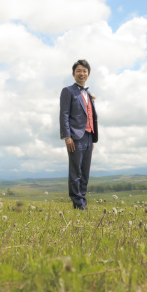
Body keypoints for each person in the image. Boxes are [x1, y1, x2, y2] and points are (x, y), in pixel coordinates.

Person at [59, 59, 98, 210]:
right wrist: (67, 136)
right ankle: (78, 203)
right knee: (76, 171)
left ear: (88, 74)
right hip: (75, 136)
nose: (82, 73)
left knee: (85, 172)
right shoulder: (68, 91)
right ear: (73, 74)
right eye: (78, 71)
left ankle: (82, 201)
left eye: (84, 71)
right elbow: (64, 114)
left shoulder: (88, 93)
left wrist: (92, 138)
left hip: (89, 136)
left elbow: (91, 116)